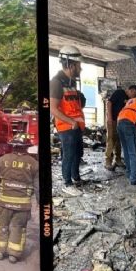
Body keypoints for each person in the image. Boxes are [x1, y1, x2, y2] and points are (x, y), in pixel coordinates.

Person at [0, 134, 40, 263]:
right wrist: (39, 202)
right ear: (27, 147)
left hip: (4, 202)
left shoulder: (2, 160)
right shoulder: (34, 163)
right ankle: (14, 254)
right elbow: (38, 186)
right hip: (23, 205)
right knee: (19, 227)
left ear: (13, 146)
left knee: (2, 225)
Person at [49, 45, 86, 197]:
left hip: (76, 126)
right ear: (71, 65)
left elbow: (75, 105)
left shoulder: (71, 82)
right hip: (66, 127)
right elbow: (53, 108)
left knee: (78, 153)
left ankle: (76, 178)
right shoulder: (56, 82)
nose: (80, 68)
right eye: (78, 65)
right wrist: (71, 122)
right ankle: (67, 183)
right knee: (69, 155)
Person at [104, 85, 134, 171]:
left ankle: (118, 159)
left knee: (118, 140)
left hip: (120, 122)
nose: (134, 96)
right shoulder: (119, 92)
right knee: (111, 139)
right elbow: (109, 103)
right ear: (130, 90)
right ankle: (108, 161)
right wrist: (109, 117)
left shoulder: (128, 99)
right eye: (134, 94)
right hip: (112, 120)